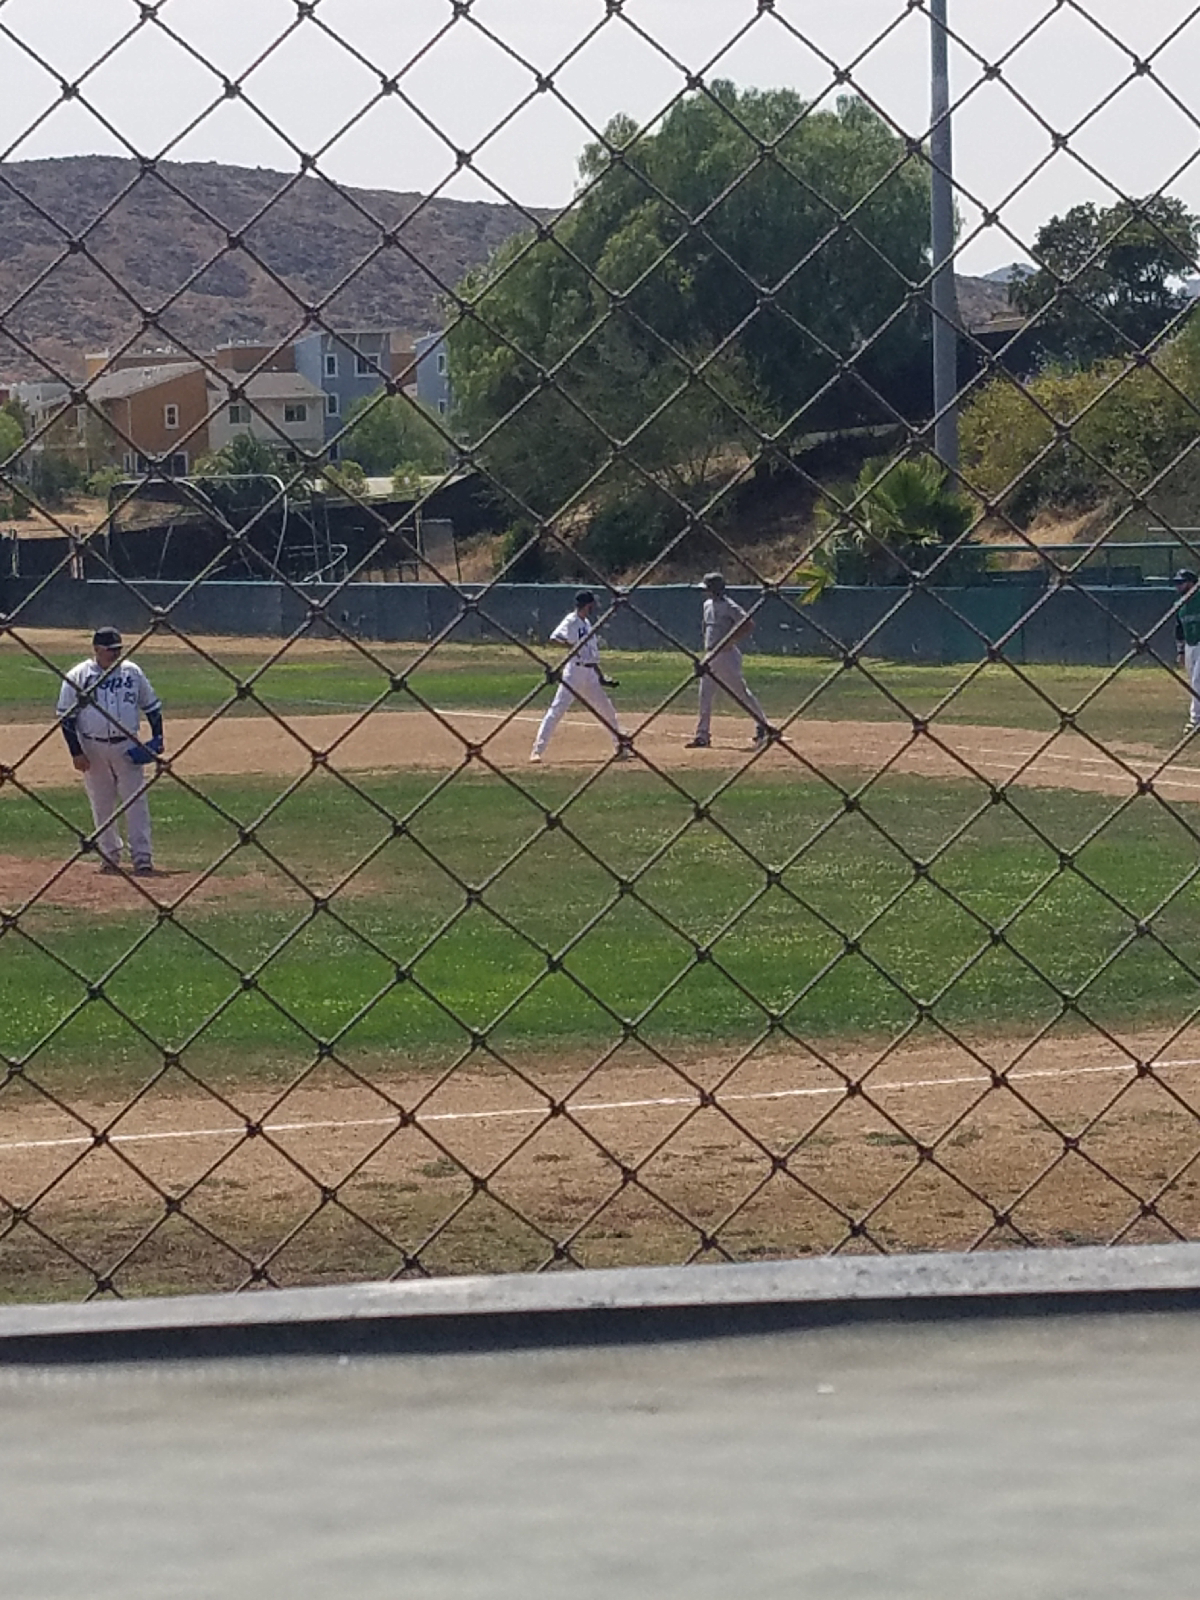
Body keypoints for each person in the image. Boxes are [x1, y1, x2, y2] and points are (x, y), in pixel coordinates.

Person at [56, 626, 164, 875]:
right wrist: (76, 752)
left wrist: (158, 737)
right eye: (110, 650)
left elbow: (152, 706)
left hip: (128, 745)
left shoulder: (132, 672)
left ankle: (142, 857)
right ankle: (109, 855)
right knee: (101, 803)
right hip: (92, 747)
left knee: (136, 802)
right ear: (96, 649)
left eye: (118, 650)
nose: (115, 654)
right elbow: (66, 718)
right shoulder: (78, 676)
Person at [530, 591, 629, 762]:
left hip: (590, 674)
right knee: (557, 710)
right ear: (587, 605)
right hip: (574, 672)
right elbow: (554, 638)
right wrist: (571, 645)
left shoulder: (587, 623)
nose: (594, 607)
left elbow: (591, 655)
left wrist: (601, 675)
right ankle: (537, 751)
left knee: (607, 710)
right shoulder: (571, 620)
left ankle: (620, 748)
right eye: (592, 604)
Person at [685, 571, 772, 749]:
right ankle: (702, 736)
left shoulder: (729, 606)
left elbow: (748, 624)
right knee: (705, 695)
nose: (705, 592)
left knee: (740, 693)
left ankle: (763, 725)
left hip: (726, 655)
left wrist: (729, 642)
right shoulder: (707, 604)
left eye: (708, 589)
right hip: (710, 655)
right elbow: (706, 628)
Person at [1175, 568, 1200, 734]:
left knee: (1198, 681)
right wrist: (1181, 651)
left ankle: (1195, 719)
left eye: (1181, 582)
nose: (1178, 586)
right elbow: (1179, 629)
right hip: (1190, 646)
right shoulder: (1180, 604)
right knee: (1193, 682)